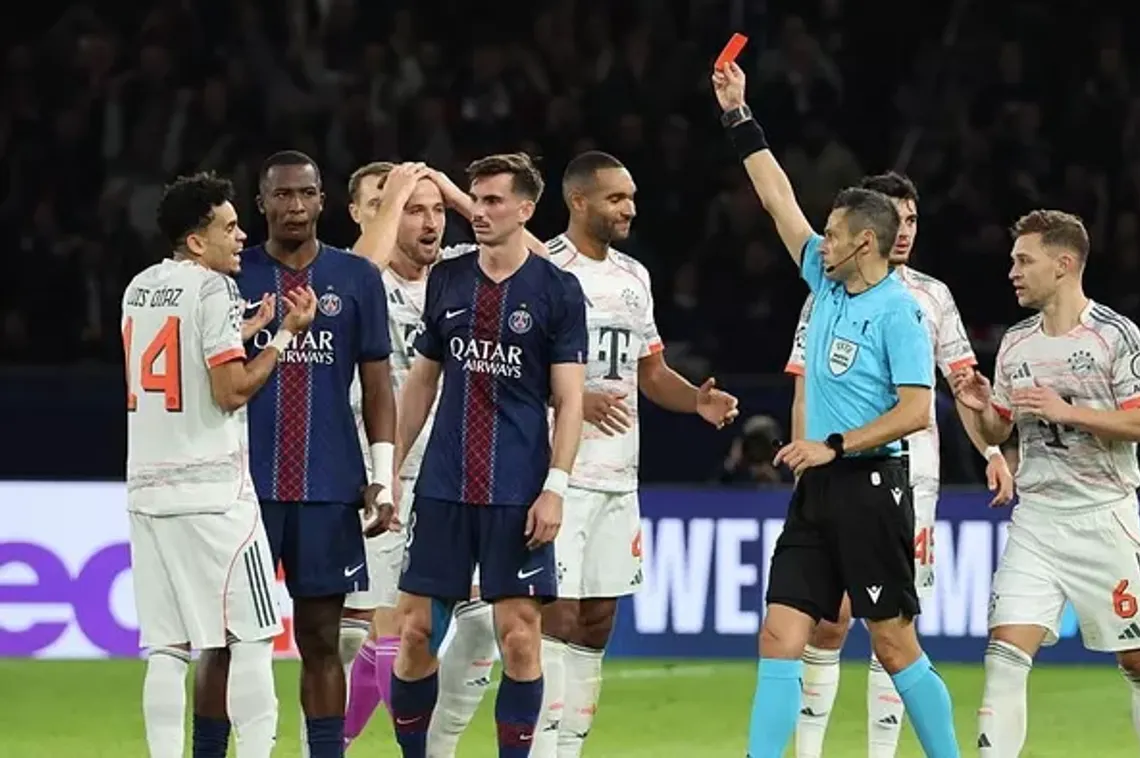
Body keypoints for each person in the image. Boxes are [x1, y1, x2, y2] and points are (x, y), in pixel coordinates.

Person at [711, 61, 959, 758]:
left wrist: (835, 443)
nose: (820, 239)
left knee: (893, 644)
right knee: (779, 635)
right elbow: (775, 198)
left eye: (833, 231)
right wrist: (737, 115)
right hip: (817, 492)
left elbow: (917, 410)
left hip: (871, 488)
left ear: (864, 243)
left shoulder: (900, 313)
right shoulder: (824, 280)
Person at [784, 171, 1013, 758]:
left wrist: (991, 450)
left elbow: (962, 385)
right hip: (837, 472)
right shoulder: (828, 289)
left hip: (912, 481)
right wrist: (806, 459)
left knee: (892, 630)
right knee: (830, 622)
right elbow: (805, 385)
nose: (905, 230)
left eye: (913, 219)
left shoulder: (932, 297)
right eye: (896, 218)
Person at [528, 150, 740, 758]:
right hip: (559, 476)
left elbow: (652, 372)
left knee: (597, 620)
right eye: (616, 198)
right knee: (557, 616)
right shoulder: (545, 268)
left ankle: (569, 750)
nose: (629, 209)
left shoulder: (634, 277)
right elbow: (516, 367)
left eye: (631, 198)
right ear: (578, 201)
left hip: (620, 478)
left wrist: (694, 401)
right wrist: (572, 397)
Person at [951, 210, 1140, 757]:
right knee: (1004, 656)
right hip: (1037, 518)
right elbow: (1002, 429)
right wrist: (984, 410)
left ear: (1064, 264)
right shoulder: (1016, 343)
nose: (1012, 272)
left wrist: (1069, 412)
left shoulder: (1114, 335)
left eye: (1024, 260)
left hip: (1104, 515)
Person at [387, 152, 588, 758]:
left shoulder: (557, 290)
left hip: (517, 491)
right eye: (475, 199)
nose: (478, 211)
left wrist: (556, 487)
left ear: (525, 209)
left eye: (493, 200)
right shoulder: (448, 279)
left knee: (520, 638)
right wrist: (387, 469)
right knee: (416, 633)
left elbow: (569, 401)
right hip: (444, 485)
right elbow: (423, 381)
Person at [125, 172, 313, 758]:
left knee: (167, 649)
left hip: (147, 491)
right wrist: (282, 336)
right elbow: (230, 392)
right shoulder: (214, 290)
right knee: (252, 636)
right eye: (228, 228)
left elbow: (174, 356)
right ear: (196, 241)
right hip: (214, 495)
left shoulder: (139, 287)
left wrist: (241, 331)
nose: (241, 237)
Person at [227, 150, 397, 758]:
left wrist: (382, 478)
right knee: (230, 642)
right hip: (244, 488)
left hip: (329, 487)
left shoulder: (356, 278)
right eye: (282, 195)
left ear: (323, 201)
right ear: (261, 204)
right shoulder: (232, 277)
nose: (295, 206)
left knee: (324, 641)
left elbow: (378, 386)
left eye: (305, 193)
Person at [349, 160, 502, 756]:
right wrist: (393, 206)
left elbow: (545, 268)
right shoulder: (361, 279)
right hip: (382, 470)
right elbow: (353, 278)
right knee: (385, 627)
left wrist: (463, 199)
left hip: (459, 473)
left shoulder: (461, 274)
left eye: (435, 211)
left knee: (477, 622)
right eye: (410, 210)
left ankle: (427, 745)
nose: (429, 222)